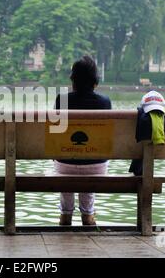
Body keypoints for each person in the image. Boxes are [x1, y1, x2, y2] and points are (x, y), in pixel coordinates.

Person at [54, 56, 112, 226]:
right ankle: (87, 215)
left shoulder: (62, 100)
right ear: (95, 81)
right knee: (91, 158)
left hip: (65, 164)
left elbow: (56, 136)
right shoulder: (104, 102)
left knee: (66, 157)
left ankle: (65, 215)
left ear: (73, 80)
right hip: (96, 166)